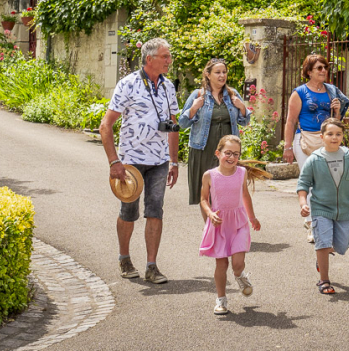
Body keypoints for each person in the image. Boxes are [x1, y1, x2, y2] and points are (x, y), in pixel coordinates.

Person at [100, 38, 181, 284]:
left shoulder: (168, 87)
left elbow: (173, 126)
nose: (169, 61)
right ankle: (124, 258)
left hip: (159, 161)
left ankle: (152, 266)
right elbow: (106, 126)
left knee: (155, 211)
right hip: (131, 162)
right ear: (150, 59)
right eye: (165, 57)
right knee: (129, 211)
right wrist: (115, 162)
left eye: (169, 56)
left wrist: (174, 162)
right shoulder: (128, 84)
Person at [296, 118, 349, 295]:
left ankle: (324, 252)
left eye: (338, 134)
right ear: (322, 136)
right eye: (330, 134)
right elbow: (303, 184)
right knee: (322, 242)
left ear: (342, 136)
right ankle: (324, 280)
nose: (334, 137)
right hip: (320, 208)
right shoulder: (314, 159)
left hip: (343, 209)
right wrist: (303, 204)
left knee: (342, 245)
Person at [200, 135, 261, 315]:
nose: (232, 157)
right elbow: (203, 199)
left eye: (236, 154)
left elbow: (245, 195)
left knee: (237, 263)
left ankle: (240, 275)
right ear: (218, 153)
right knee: (221, 264)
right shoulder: (209, 175)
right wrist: (210, 213)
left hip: (239, 222)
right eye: (228, 153)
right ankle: (221, 300)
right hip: (219, 223)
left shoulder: (241, 173)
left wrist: (253, 218)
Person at [179, 58, 251, 208]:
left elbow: (244, 122)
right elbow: (182, 123)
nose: (222, 75)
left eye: (224, 72)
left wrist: (242, 108)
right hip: (203, 150)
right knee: (206, 194)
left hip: (228, 151)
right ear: (208, 74)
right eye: (217, 72)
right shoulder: (198, 95)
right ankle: (211, 228)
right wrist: (193, 109)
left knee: (227, 192)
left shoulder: (233, 95)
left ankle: (223, 227)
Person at [281, 55, 349, 167]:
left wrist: (337, 111)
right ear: (309, 72)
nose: (323, 70)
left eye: (325, 67)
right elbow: (291, 121)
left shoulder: (331, 91)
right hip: (304, 140)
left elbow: (334, 123)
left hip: (325, 140)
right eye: (319, 68)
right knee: (308, 178)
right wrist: (288, 147)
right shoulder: (299, 93)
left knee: (325, 178)